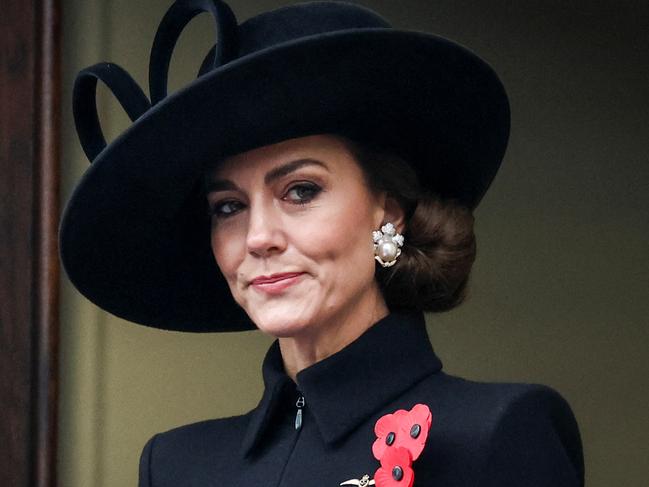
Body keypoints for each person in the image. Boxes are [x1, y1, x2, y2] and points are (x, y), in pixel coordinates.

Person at [60, 1, 584, 486]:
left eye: (300, 191)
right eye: (228, 207)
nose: (259, 238)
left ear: (390, 211)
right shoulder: (176, 466)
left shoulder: (496, 436)